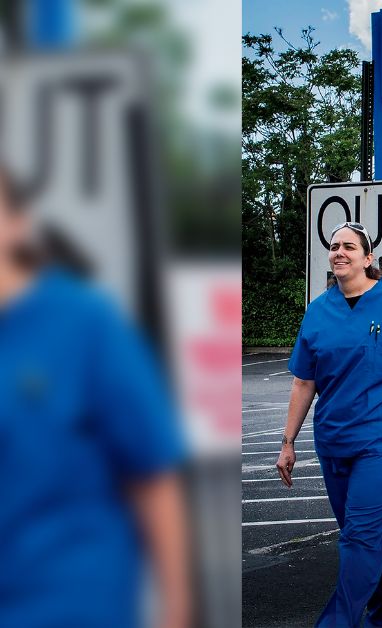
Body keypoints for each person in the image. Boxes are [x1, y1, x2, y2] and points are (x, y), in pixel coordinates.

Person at [0, 164, 190, 627]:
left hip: (67, 602)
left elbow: (152, 473)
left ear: (18, 223)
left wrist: (176, 609)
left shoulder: (84, 323)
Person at [277, 221, 382, 627]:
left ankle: (337, 622)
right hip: (335, 440)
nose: (339, 252)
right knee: (367, 534)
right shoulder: (319, 311)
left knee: (360, 536)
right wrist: (288, 442)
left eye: (349, 246)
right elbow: (304, 381)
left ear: (368, 257)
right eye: (334, 246)